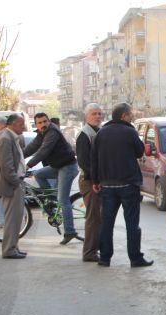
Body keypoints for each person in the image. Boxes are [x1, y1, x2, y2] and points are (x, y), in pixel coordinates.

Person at [91, 103, 153, 268]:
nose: (132, 117)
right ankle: (135, 258)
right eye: (130, 114)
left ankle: (105, 258)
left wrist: (96, 181)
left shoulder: (101, 133)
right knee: (132, 224)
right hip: (128, 185)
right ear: (124, 116)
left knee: (107, 223)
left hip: (107, 186)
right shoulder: (130, 132)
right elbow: (140, 152)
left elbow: (94, 159)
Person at [24, 112, 79, 244]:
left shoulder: (52, 132)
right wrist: (18, 156)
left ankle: (70, 232)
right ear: (36, 124)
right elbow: (32, 147)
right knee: (38, 174)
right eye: (40, 123)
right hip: (57, 166)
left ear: (48, 122)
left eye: (45, 121)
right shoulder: (41, 133)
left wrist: (28, 165)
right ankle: (52, 201)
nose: (43, 124)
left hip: (67, 167)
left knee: (63, 199)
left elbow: (44, 151)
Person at [0, 114, 27, 259]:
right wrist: (16, 182)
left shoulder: (12, 137)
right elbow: (6, 166)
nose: (23, 127)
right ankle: (9, 249)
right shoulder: (5, 138)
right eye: (21, 124)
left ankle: (14, 246)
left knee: (17, 219)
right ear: (12, 124)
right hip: (11, 185)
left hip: (16, 182)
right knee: (12, 220)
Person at [76, 103, 103, 262]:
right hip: (90, 181)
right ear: (86, 116)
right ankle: (89, 253)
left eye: (99, 113)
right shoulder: (84, 134)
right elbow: (84, 162)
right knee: (93, 218)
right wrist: (95, 180)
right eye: (94, 114)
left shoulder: (98, 132)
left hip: (97, 181)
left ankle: (95, 249)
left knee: (98, 217)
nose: (98, 116)